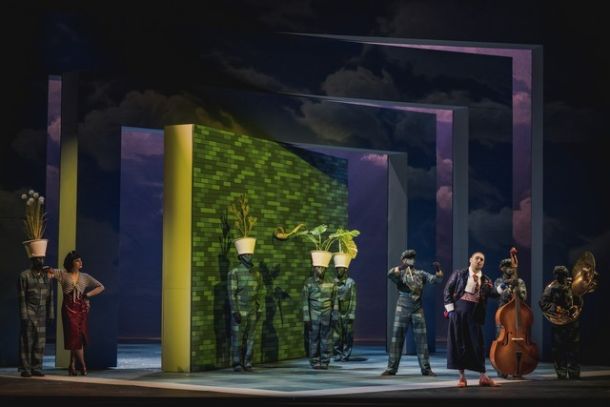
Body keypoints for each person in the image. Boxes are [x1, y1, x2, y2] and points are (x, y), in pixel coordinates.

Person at [443, 251, 501, 387]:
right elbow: (447, 291)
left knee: (478, 344)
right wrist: (451, 311)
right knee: (460, 343)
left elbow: (492, 293)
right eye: (477, 258)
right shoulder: (459, 274)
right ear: (470, 260)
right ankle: (462, 377)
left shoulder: (485, 279)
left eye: (482, 259)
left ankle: (483, 377)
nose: (479, 261)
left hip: (475, 314)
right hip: (459, 313)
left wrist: (501, 288)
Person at [381, 249, 443, 376]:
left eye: (412, 258)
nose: (410, 260)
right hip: (402, 307)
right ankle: (391, 368)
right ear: (403, 260)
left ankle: (426, 369)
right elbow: (390, 275)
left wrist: (438, 270)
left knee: (422, 340)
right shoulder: (400, 273)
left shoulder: (420, 274)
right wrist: (401, 267)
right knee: (396, 339)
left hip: (417, 308)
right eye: (408, 258)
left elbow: (435, 280)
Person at [50, 251, 104, 376]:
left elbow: (101, 287)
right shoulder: (63, 274)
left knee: (78, 337)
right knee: (74, 336)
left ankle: (72, 365)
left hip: (81, 309)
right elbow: (50, 272)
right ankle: (83, 365)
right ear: (71, 263)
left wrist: (87, 295)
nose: (80, 262)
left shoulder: (85, 276)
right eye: (77, 261)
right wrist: (48, 271)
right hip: (68, 309)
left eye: (80, 260)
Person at [539, 265, 582, 380]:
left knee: (574, 348)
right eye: (559, 275)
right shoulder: (551, 288)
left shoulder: (572, 286)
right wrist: (556, 308)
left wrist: (576, 307)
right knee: (558, 349)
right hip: (558, 322)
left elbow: (579, 300)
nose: (562, 277)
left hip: (572, 321)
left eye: (563, 275)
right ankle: (561, 372)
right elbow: (543, 303)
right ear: (556, 276)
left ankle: (574, 372)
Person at [18, 256, 54, 377]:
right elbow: (22, 297)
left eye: (42, 259)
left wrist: (51, 313)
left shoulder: (46, 276)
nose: (41, 261)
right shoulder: (25, 275)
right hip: (29, 309)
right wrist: (24, 315)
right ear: (32, 260)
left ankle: (36, 367)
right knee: (27, 340)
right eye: (38, 259)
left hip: (42, 311)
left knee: (40, 341)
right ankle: (25, 368)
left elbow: (50, 296)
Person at [228, 252, 264, 372]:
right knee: (237, 338)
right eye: (246, 254)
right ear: (240, 257)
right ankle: (237, 363)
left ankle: (248, 362)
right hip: (240, 308)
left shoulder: (256, 273)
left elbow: (260, 291)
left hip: (252, 309)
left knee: (251, 337)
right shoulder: (235, 272)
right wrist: (235, 310)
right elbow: (231, 293)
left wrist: (259, 307)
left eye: (250, 254)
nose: (249, 256)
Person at [493, 257, 528, 378]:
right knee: (502, 340)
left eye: (511, 267)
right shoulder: (499, 281)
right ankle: (502, 367)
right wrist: (509, 287)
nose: (510, 269)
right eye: (507, 267)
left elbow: (523, 297)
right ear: (502, 268)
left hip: (517, 315)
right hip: (503, 315)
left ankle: (518, 367)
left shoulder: (520, 281)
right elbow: (500, 296)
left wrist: (517, 288)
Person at [302, 263, 338, 369]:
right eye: (318, 267)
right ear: (314, 268)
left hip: (327, 314)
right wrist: (306, 316)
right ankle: (315, 361)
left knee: (326, 338)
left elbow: (335, 300)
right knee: (314, 338)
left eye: (323, 267)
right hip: (313, 314)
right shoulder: (309, 282)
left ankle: (325, 360)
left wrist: (335, 314)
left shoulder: (331, 282)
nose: (320, 269)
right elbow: (305, 301)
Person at [332, 264, 357, 362]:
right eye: (337, 268)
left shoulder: (350, 282)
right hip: (336, 310)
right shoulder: (334, 282)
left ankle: (346, 354)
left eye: (340, 268)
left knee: (348, 334)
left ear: (345, 269)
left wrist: (351, 313)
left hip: (347, 310)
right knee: (337, 335)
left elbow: (353, 298)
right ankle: (337, 354)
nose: (338, 270)